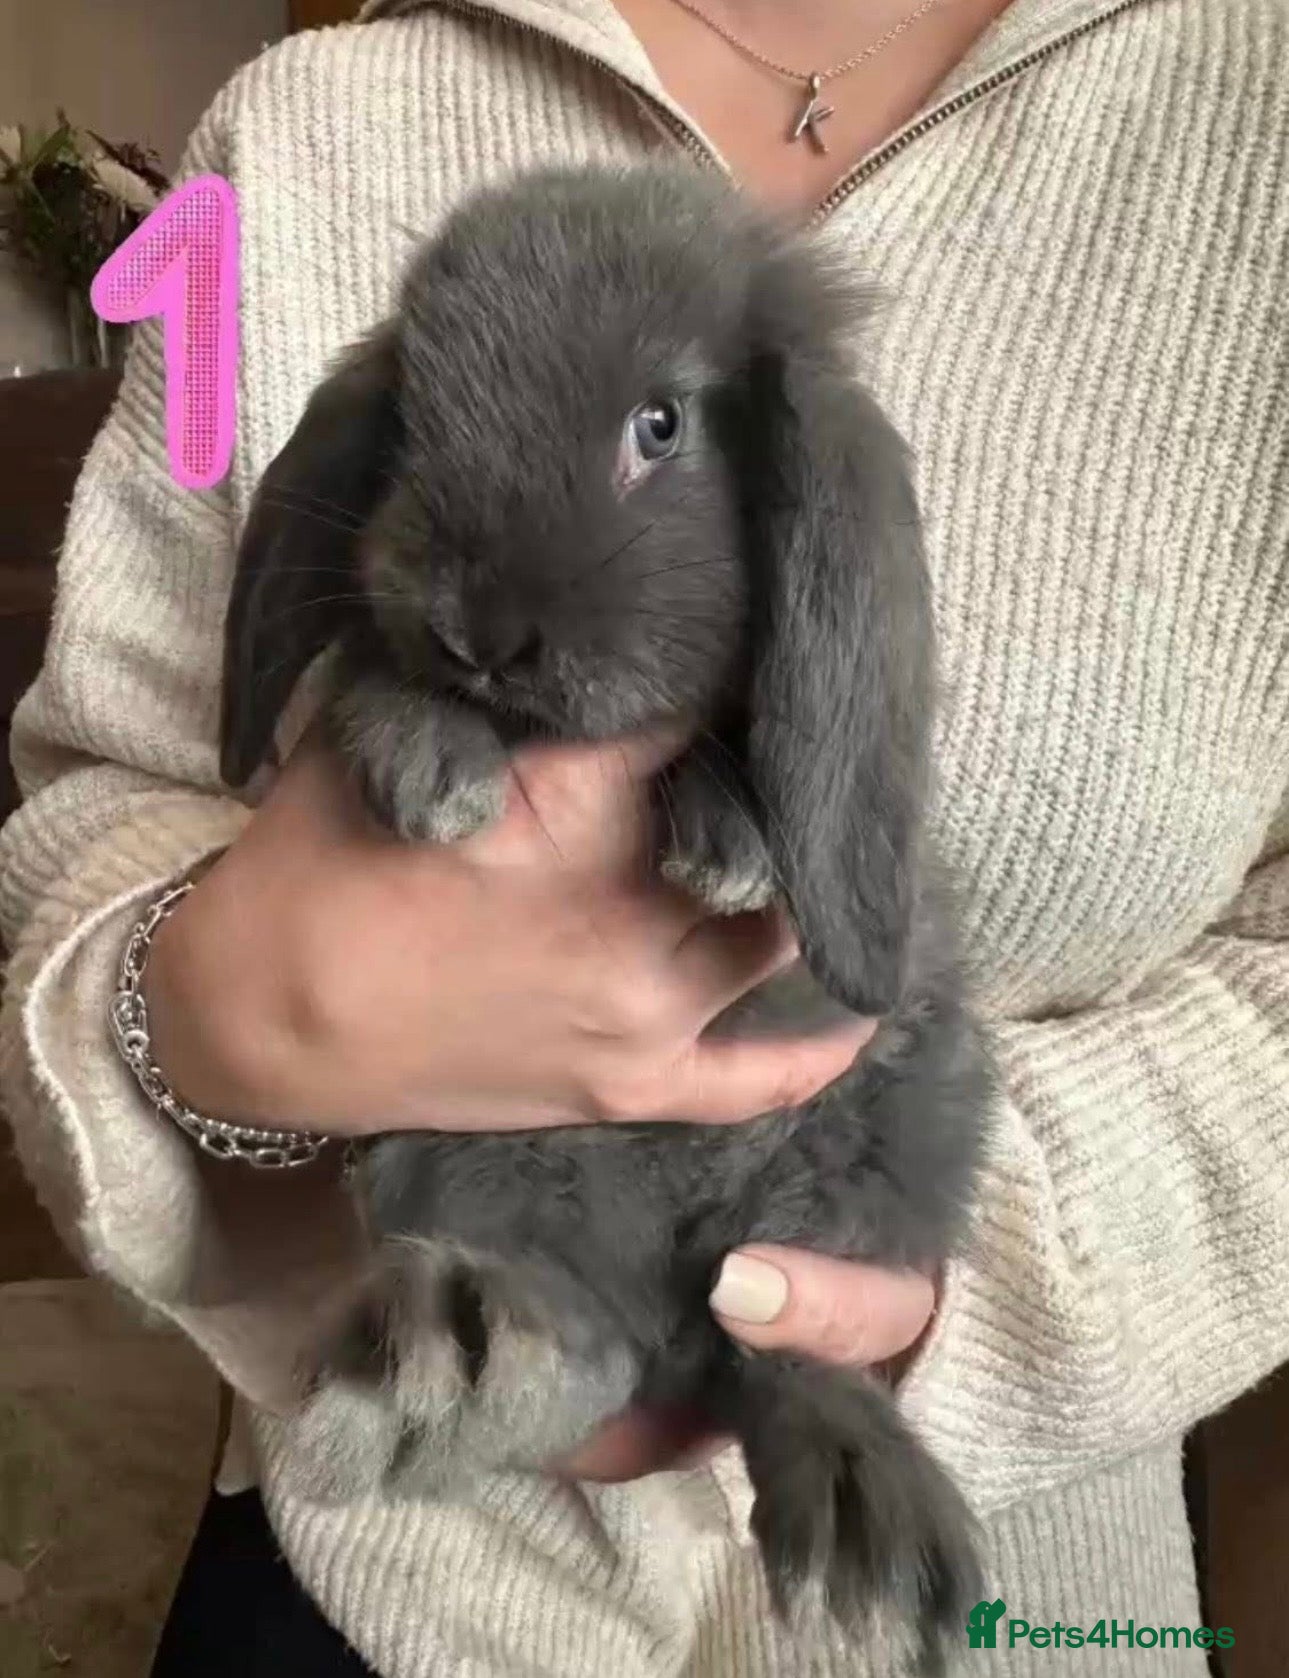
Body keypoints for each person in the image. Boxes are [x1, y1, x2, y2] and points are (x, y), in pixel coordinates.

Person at [1, 0, 1286, 1674]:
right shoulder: (294, 129)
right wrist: (204, 1010)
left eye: (649, 437)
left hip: (983, 1593)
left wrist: (929, 1286)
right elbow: (101, 790)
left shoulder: (1250, 110)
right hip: (386, 1531)